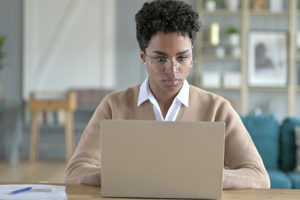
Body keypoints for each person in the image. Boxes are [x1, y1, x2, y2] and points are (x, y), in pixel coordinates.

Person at [64, 0, 270, 189]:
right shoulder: (113, 105)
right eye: (161, 59)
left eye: (182, 58)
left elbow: (259, 177)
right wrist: (118, 175)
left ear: (192, 56)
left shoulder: (217, 108)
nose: (173, 70)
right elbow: (75, 172)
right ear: (143, 57)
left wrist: (208, 177)